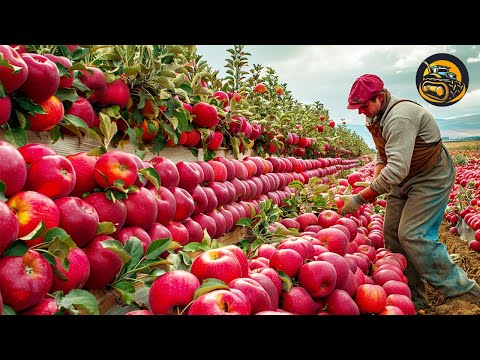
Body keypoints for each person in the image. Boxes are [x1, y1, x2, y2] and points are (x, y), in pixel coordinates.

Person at [338, 73, 480, 310]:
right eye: (357, 107)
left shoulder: (400, 117)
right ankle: (413, 296)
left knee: (414, 234)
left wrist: (359, 199)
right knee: (392, 234)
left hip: (430, 176)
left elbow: (396, 169)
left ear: (380, 97)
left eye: (363, 105)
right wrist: (375, 179)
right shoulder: (376, 116)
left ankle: (464, 291)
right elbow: (382, 153)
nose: (360, 111)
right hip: (405, 176)